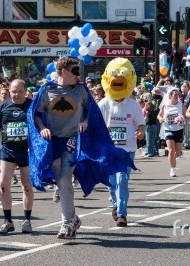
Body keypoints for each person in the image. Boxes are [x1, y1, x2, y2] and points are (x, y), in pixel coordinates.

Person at [28, 57, 136, 238]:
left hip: (72, 141)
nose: (79, 75)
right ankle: (73, 218)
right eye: (75, 71)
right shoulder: (47, 90)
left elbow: (91, 111)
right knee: (58, 178)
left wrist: (85, 121)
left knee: (64, 178)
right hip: (53, 141)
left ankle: (66, 223)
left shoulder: (81, 90)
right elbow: (36, 115)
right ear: (63, 71)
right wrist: (42, 128)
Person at [98, 66, 145, 227]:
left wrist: (140, 133)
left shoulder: (133, 105)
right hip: (108, 150)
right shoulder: (104, 103)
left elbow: (141, 124)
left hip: (127, 149)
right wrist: (104, 131)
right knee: (111, 181)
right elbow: (95, 125)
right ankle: (115, 203)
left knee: (122, 179)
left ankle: (122, 213)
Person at [0, 79, 34, 234]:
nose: (16, 95)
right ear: (9, 91)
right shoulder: (3, 106)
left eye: (20, 92)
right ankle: (7, 221)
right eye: (13, 91)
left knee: (27, 187)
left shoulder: (31, 106)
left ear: (25, 91)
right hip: (7, 151)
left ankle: (27, 220)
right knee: (3, 185)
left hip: (27, 152)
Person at [158, 87, 186, 177]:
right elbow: (159, 116)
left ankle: (175, 160)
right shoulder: (165, 105)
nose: (176, 96)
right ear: (170, 96)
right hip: (168, 129)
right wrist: (161, 119)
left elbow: (186, 115)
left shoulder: (181, 105)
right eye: (175, 95)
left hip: (178, 129)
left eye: (178, 95)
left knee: (177, 153)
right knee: (171, 150)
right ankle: (172, 169)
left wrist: (182, 119)